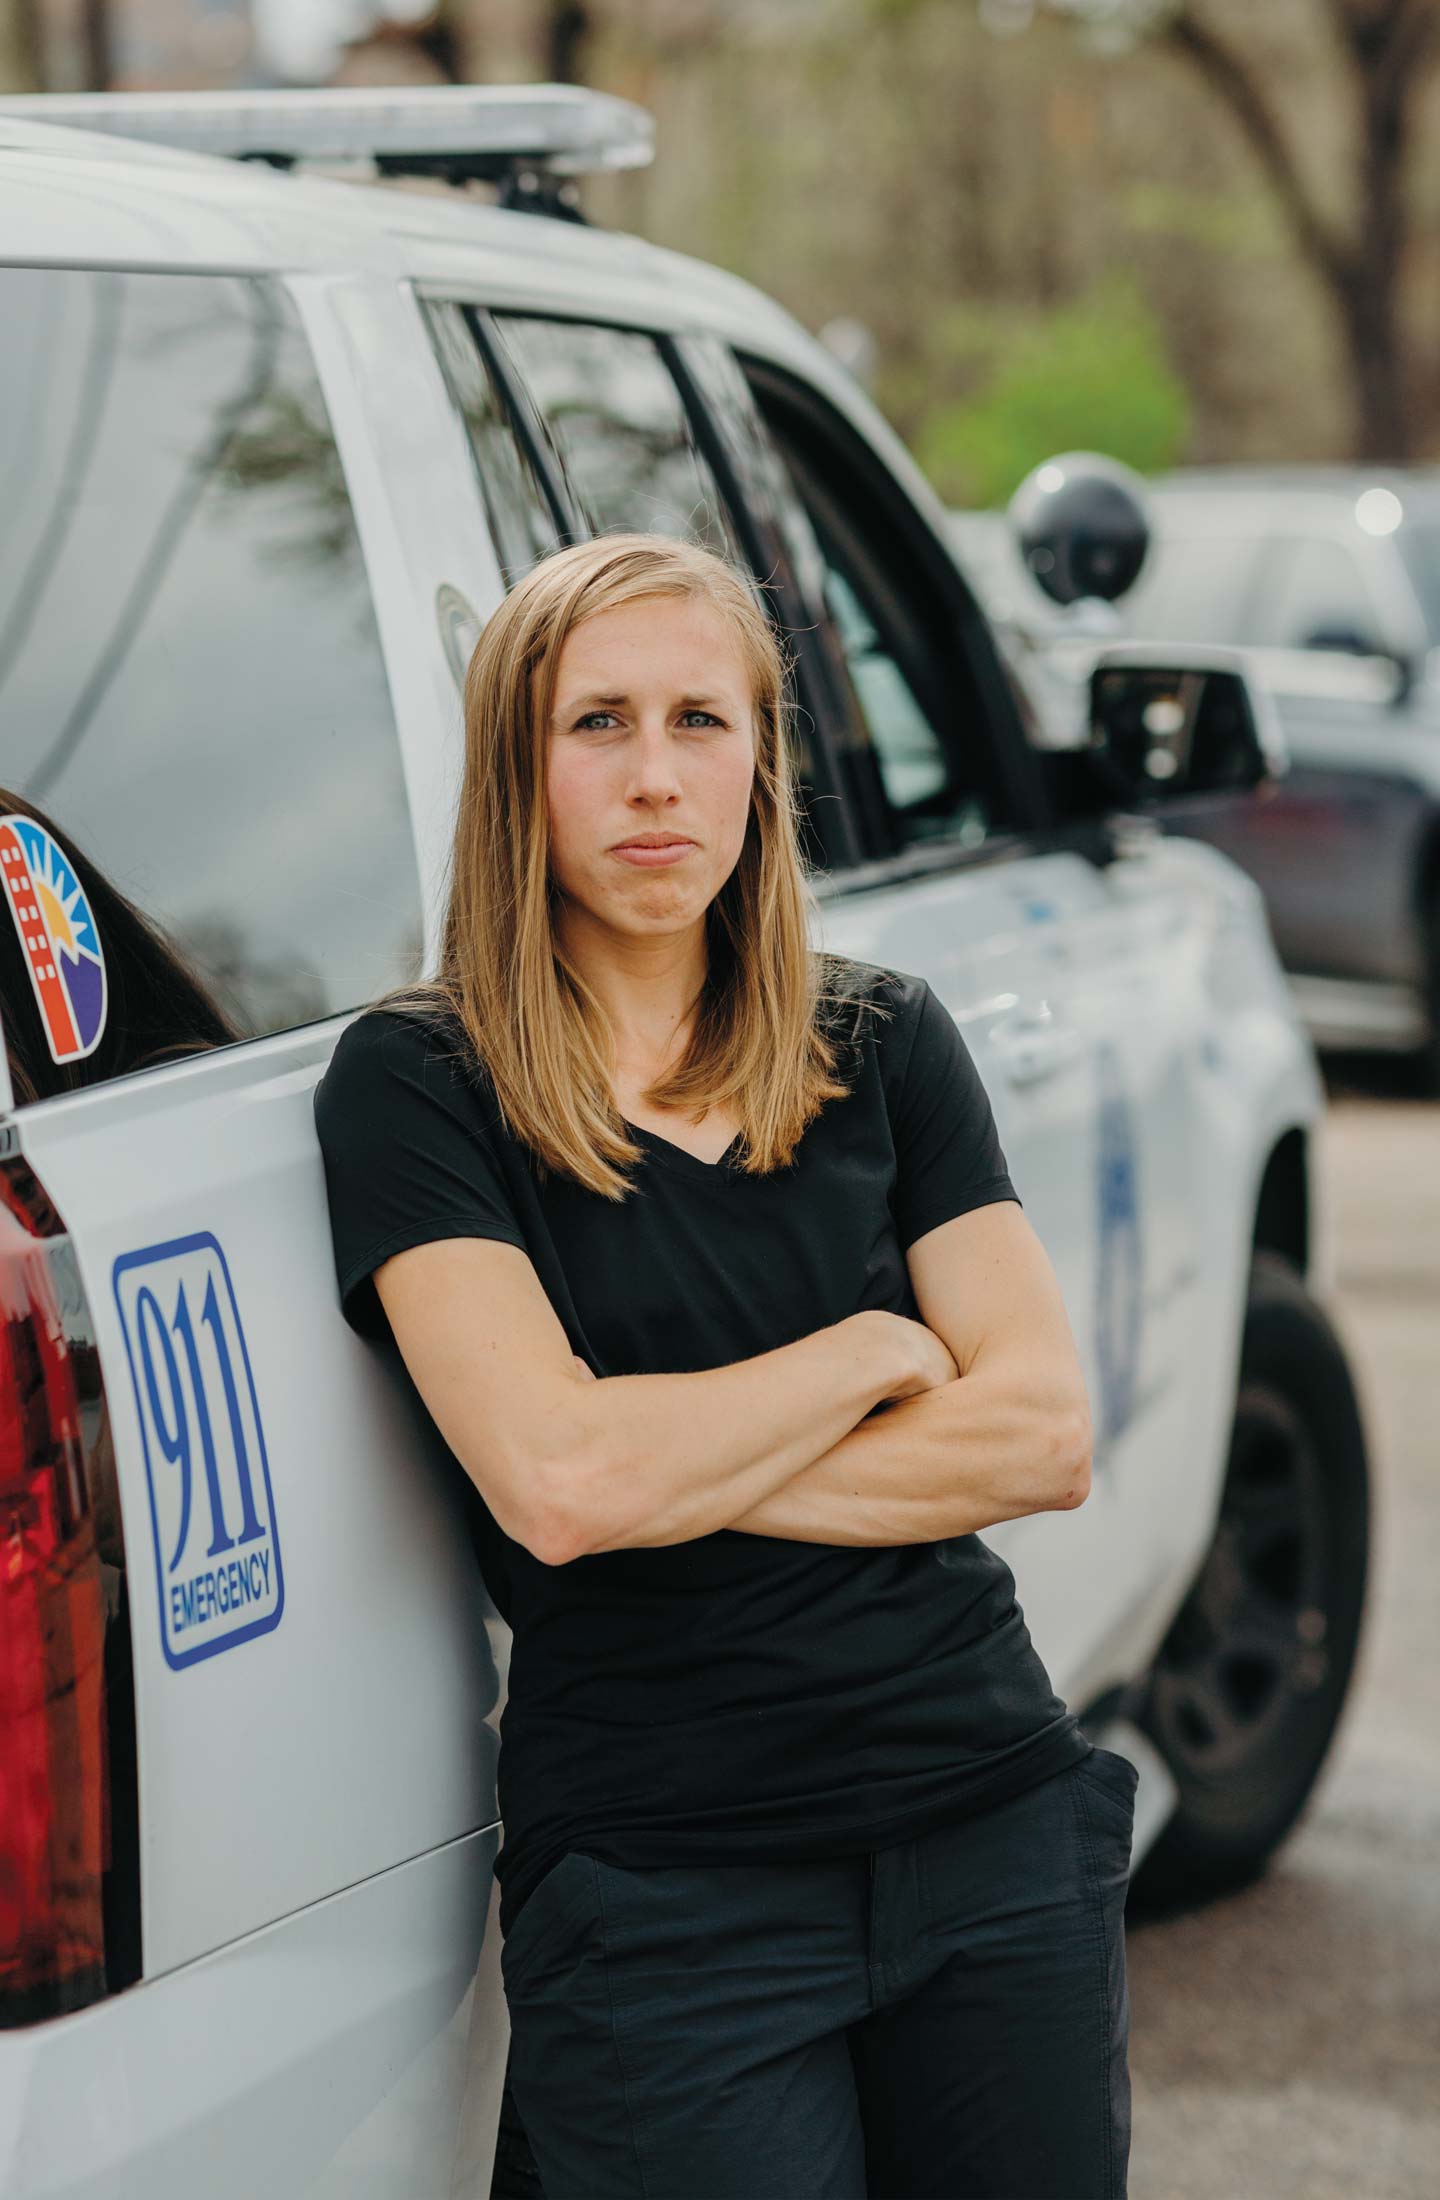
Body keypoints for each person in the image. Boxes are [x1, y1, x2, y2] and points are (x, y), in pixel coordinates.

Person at [311, 531, 1137, 2199]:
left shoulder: (884, 1043)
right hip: (669, 1891)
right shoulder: (420, 1085)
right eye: (596, 723)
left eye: (702, 722)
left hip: (983, 1816)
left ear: (764, 764)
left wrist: (672, 1468)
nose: (654, 777)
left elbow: (1043, 1434)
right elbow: (561, 1485)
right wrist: (872, 1350)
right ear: (516, 772)